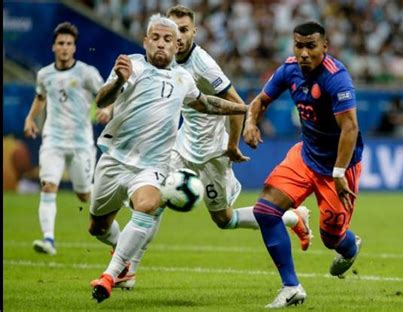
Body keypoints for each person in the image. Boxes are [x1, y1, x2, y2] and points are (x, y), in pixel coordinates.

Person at [110, 4, 314, 290]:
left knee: (224, 219)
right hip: (180, 147)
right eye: (173, 30)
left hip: (212, 154)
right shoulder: (164, 57)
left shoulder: (203, 64)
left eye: (183, 30)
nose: (177, 36)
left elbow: (235, 103)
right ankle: (127, 270)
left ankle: (293, 217)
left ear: (194, 31)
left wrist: (231, 145)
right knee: (153, 204)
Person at [88, 13, 248, 303]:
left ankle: (111, 275)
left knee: (148, 205)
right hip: (114, 159)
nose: (161, 44)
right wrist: (118, 82)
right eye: (156, 38)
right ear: (146, 41)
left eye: (168, 40)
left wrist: (243, 109)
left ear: (177, 46)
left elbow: (207, 103)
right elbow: (101, 100)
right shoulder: (130, 65)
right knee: (97, 227)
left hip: (152, 166)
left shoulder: (183, 78)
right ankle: (120, 251)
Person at [243, 21, 364, 308]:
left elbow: (350, 128)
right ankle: (291, 286)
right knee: (265, 210)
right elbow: (260, 101)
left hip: (339, 166)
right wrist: (250, 123)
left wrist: (337, 173)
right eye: (299, 45)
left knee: (331, 238)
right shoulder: (288, 69)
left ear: (325, 46)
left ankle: (350, 247)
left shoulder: (337, 78)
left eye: (311, 46)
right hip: (305, 156)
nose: (304, 53)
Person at [23, 22, 111, 256]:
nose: (64, 47)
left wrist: (108, 109)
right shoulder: (44, 74)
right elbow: (41, 97)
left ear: (74, 48)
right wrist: (30, 118)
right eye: (60, 43)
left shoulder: (86, 73)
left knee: (83, 194)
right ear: (53, 46)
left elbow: (105, 95)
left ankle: (109, 215)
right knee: (48, 185)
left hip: (81, 143)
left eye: (69, 44)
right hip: (53, 140)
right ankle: (48, 240)